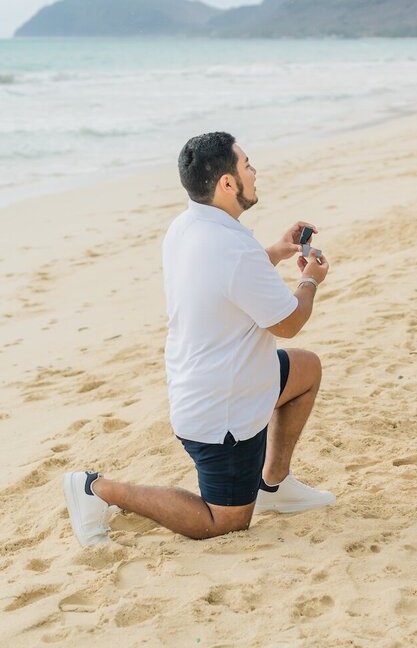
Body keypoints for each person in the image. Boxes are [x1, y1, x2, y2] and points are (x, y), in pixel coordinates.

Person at [63, 131, 334, 543]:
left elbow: (230, 280)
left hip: (214, 381)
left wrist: (278, 251)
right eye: (247, 165)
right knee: (224, 522)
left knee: (305, 369)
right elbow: (288, 323)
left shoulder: (188, 226)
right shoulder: (231, 247)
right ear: (227, 183)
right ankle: (97, 489)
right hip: (222, 415)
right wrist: (310, 280)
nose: (254, 172)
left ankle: (274, 486)